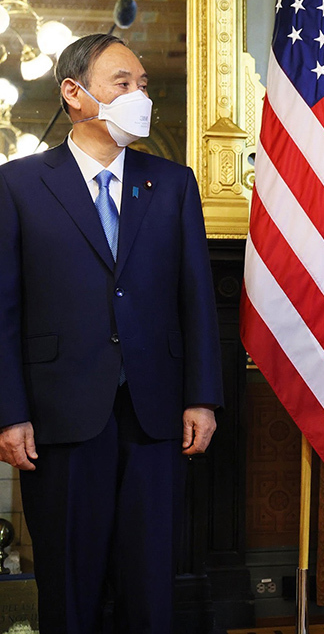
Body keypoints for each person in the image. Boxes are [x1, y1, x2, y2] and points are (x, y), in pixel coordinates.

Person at [0, 34, 223, 633]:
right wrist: (8, 412)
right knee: (68, 589)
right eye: (123, 84)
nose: (139, 97)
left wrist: (202, 396)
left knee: (150, 586)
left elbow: (195, 299)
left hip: (155, 413)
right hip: (59, 416)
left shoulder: (173, 184)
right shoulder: (17, 185)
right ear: (75, 93)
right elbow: (3, 309)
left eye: (144, 85)